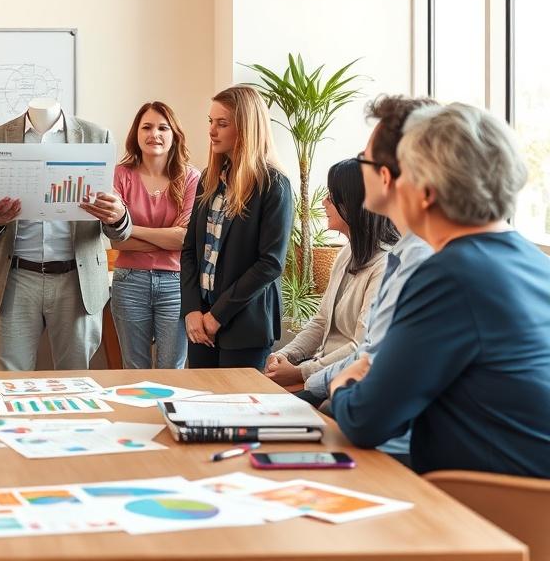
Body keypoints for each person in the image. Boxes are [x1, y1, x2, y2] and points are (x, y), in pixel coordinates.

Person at [330, 103, 550, 477]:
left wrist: (342, 383)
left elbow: (366, 420)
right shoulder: (534, 263)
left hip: (485, 506)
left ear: (426, 191)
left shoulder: (451, 274)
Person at [301, 96, 435, 464]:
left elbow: (366, 405)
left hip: (413, 462)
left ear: (386, 176)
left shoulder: (433, 266)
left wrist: (330, 385)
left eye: (364, 159)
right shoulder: (407, 254)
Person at [0, 98, 131, 371]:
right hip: (15, 280)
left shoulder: (96, 136)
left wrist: (118, 216)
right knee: (10, 380)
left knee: (75, 380)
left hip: (76, 281)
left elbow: (120, 229)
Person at [180, 85, 293, 371]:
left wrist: (217, 315)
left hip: (244, 326)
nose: (212, 131)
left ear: (245, 128)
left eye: (222, 123)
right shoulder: (209, 179)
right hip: (201, 323)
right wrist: (193, 310)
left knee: (238, 413)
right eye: (210, 122)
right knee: (199, 409)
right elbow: (190, 251)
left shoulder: (274, 185)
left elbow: (270, 263)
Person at [264, 158, 398, 389]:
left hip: (347, 385)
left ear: (353, 203)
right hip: (319, 375)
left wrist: (300, 373)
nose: (324, 202)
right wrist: (284, 356)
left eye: (331, 196)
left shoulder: (386, 265)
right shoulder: (348, 251)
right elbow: (321, 320)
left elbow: (360, 345)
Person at [109, 101, 199, 369]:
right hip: (129, 282)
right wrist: (165, 236)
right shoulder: (119, 175)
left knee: (172, 368)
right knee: (134, 367)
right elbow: (116, 239)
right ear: (136, 134)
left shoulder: (190, 177)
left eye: (163, 127)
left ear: (175, 135)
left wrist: (131, 228)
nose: (154, 134)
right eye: (146, 127)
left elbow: (183, 239)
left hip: (176, 283)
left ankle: (167, 413)